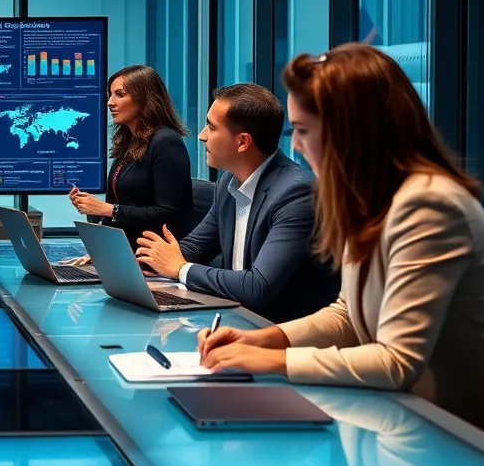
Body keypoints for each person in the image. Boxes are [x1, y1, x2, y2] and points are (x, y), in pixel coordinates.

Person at [198, 44, 484, 427]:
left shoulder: (429, 204)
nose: (295, 145)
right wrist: (267, 338)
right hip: (399, 415)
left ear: (352, 132)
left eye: (304, 130)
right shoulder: (369, 200)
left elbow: (397, 361)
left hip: (471, 433)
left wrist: (274, 360)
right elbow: (348, 315)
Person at [133, 84, 338, 322]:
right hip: (234, 317)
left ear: (243, 142)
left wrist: (180, 269)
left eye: (211, 127)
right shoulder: (228, 181)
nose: (202, 135)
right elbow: (195, 248)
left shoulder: (296, 193)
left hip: (278, 329)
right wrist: (142, 262)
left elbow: (257, 287)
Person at [66, 65, 192, 265]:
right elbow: (121, 209)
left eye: (119, 95)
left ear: (144, 99)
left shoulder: (166, 142)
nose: (110, 102)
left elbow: (166, 213)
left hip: (156, 260)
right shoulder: (129, 144)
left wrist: (109, 209)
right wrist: (101, 252)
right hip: (128, 257)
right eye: (110, 95)